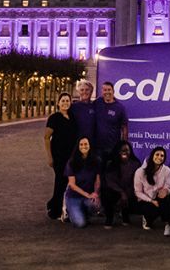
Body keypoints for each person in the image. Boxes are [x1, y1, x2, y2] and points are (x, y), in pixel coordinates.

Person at [44, 92, 77, 220]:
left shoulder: (72, 117)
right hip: (58, 156)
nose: (65, 103)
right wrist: (49, 157)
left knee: (66, 182)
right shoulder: (54, 118)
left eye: (67, 101)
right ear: (58, 103)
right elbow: (46, 137)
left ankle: (53, 204)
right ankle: (54, 211)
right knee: (60, 182)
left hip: (70, 156)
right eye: (62, 101)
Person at [134, 146, 170, 237]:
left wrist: (166, 191)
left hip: (159, 197)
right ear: (152, 155)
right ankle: (146, 217)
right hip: (144, 199)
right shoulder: (140, 172)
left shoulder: (167, 170)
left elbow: (168, 186)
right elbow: (138, 192)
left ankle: (168, 224)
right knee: (149, 214)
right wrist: (151, 201)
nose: (159, 157)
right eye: (157, 154)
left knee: (166, 200)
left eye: (162, 156)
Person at [102, 140, 141, 228]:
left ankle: (125, 216)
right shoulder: (111, 163)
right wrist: (121, 193)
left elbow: (137, 181)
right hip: (115, 190)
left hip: (130, 190)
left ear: (130, 151)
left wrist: (126, 193)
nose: (124, 152)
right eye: (122, 150)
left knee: (134, 196)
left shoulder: (136, 163)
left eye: (126, 150)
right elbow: (109, 181)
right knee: (106, 193)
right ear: (117, 151)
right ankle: (109, 217)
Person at [64, 137, 101, 228]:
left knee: (95, 205)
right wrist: (87, 195)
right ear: (78, 147)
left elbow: (97, 180)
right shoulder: (71, 162)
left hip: (89, 195)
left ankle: (84, 213)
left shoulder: (96, 160)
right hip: (74, 197)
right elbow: (72, 185)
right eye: (81, 144)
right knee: (80, 224)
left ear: (90, 146)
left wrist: (96, 193)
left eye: (86, 144)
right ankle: (68, 211)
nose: (83, 146)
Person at [94, 81, 128, 162]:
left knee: (111, 172)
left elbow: (124, 127)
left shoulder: (119, 108)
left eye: (109, 90)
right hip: (97, 147)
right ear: (102, 92)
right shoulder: (97, 103)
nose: (107, 92)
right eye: (105, 90)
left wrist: (124, 144)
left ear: (113, 91)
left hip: (113, 147)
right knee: (99, 172)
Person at [70, 79, 96, 145]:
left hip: (92, 143)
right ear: (78, 92)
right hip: (76, 143)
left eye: (87, 90)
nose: (84, 92)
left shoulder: (96, 106)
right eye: (82, 90)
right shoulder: (72, 107)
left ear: (91, 91)